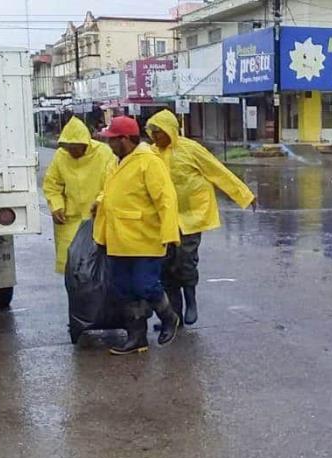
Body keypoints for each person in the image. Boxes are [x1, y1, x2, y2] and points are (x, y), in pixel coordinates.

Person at [145, 109, 255, 326]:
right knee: (166, 265)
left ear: (170, 131)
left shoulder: (190, 149)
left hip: (191, 216)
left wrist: (245, 195)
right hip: (164, 219)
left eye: (159, 132)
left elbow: (217, 171)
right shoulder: (150, 153)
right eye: (153, 132)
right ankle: (173, 314)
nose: (155, 137)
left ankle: (191, 302)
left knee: (185, 261)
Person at [92, 116, 181, 355]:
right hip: (117, 238)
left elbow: (166, 199)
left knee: (145, 285)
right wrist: (99, 201)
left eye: (113, 140)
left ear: (126, 139)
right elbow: (110, 191)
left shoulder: (149, 162)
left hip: (145, 237)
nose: (109, 144)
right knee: (123, 289)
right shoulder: (117, 162)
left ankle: (169, 317)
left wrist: (170, 233)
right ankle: (137, 337)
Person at [42, 116, 117, 273]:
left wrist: (99, 202)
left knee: (99, 268)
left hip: (98, 219)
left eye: (75, 147)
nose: (72, 151)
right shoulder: (61, 156)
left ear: (85, 143)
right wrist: (57, 206)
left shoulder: (104, 154)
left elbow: (112, 184)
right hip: (70, 219)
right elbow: (52, 184)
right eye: (68, 147)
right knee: (72, 268)